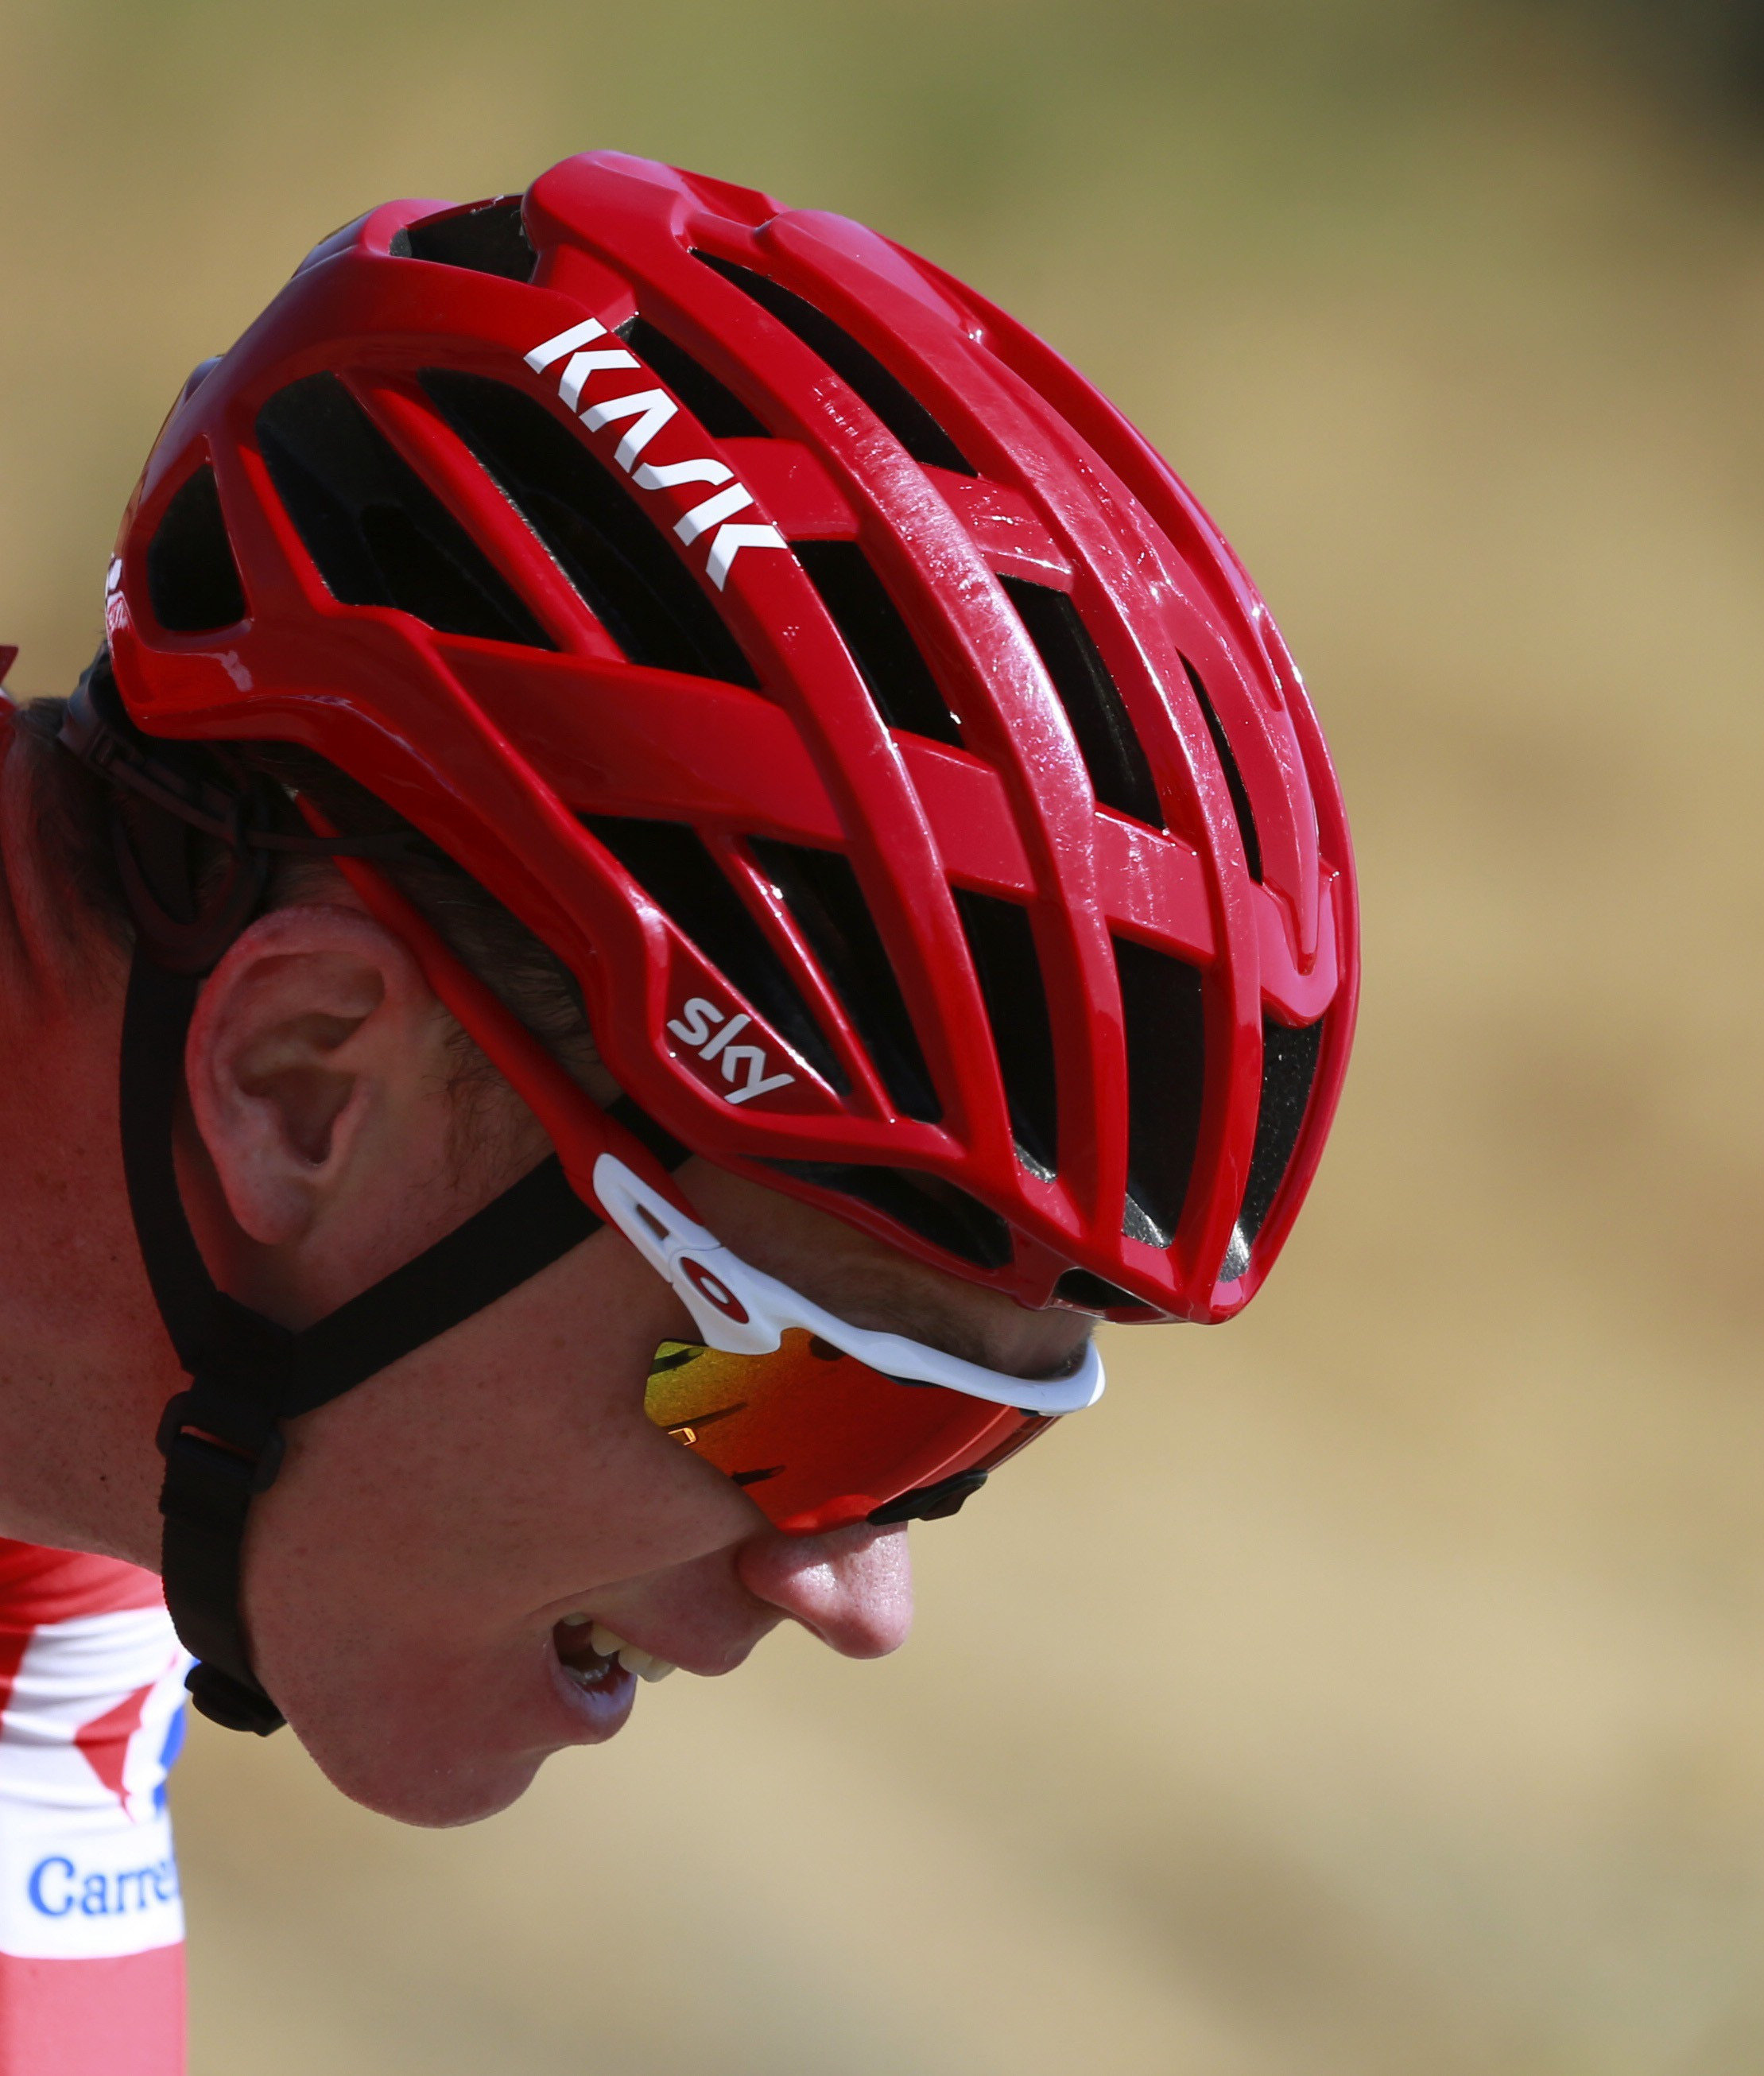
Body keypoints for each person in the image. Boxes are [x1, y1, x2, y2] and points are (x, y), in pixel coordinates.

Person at [0, 151, 1359, 2069]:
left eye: (970, 1451)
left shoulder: (65, 1561)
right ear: (304, 1085)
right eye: (821, 1403)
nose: (859, 1592)